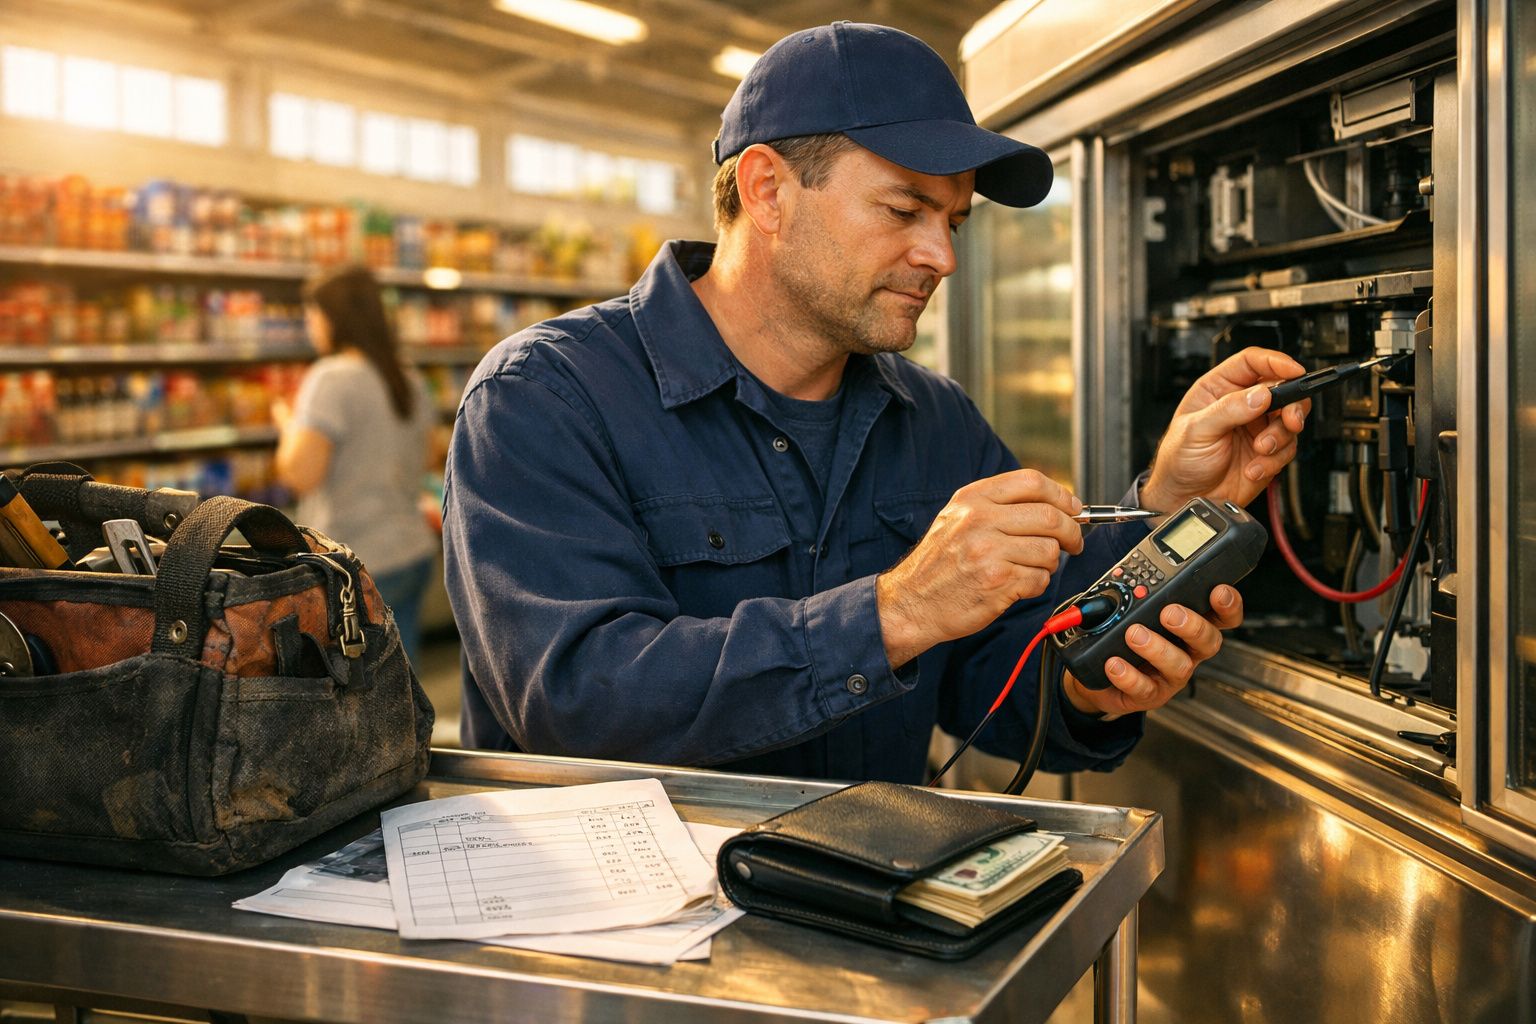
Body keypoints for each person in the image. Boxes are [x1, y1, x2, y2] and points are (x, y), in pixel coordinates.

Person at [443, 22, 1308, 783]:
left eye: (954, 223)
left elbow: (993, 680)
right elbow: (576, 704)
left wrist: (1097, 667)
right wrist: (896, 611)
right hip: (622, 953)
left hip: (861, 937)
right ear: (769, 189)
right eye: (904, 210)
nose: (941, 257)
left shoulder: (935, 423)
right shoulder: (546, 397)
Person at [274, 263, 438, 667]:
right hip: (411, 549)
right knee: (400, 678)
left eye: (312, 313)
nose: (309, 324)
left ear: (334, 318)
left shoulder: (331, 378)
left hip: (356, 564)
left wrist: (287, 426)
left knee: (358, 696)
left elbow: (301, 473)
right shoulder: (407, 377)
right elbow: (428, 459)